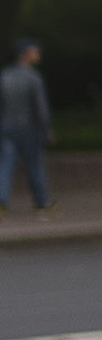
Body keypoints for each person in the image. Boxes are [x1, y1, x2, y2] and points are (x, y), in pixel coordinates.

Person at [0, 39, 51, 211]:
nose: (38, 55)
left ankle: (2, 200)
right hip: (29, 128)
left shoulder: (5, 75)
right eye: (35, 51)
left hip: (6, 127)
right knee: (35, 164)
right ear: (27, 54)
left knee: (5, 164)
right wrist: (46, 129)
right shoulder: (33, 78)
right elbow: (40, 108)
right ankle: (42, 200)